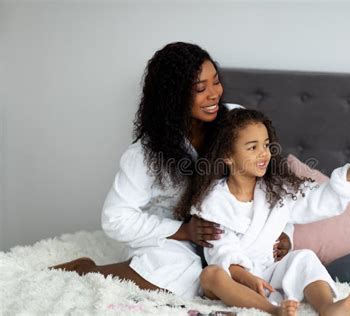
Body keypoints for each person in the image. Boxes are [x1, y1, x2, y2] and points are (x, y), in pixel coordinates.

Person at [50, 42, 292, 298]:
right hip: (171, 239)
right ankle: (88, 270)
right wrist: (182, 231)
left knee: (250, 265)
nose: (214, 94)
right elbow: (115, 219)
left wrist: (282, 233)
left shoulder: (235, 121)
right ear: (174, 96)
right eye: (200, 88)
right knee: (183, 274)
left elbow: (271, 182)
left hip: (228, 237)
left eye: (216, 82)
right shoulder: (146, 152)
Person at [175, 108, 350, 315]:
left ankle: (329, 307)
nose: (264, 153)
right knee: (211, 275)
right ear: (227, 155)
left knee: (304, 257)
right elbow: (222, 253)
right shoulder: (213, 201)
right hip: (234, 279)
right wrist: (249, 279)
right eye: (252, 148)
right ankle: (273, 310)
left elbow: (319, 200)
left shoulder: (277, 190)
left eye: (266, 145)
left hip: (269, 271)